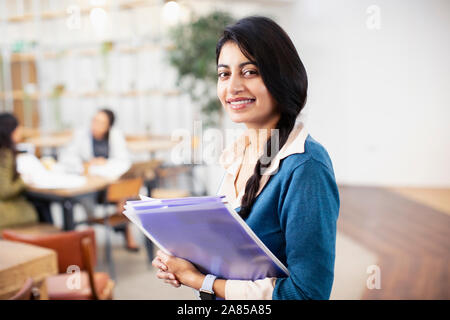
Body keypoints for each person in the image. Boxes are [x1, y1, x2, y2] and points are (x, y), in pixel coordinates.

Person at [152, 16, 340, 300]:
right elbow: (232, 259)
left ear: (282, 76)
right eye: (224, 74)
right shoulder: (238, 154)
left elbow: (308, 294)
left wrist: (201, 281)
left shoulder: (305, 166)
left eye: (250, 72)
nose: (233, 86)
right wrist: (184, 259)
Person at [59, 108, 139, 251]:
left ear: (108, 126)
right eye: (94, 120)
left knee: (124, 189)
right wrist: (86, 164)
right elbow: (66, 157)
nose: (95, 124)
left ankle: (121, 225)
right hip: (89, 184)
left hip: (110, 185)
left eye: (101, 122)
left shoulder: (115, 136)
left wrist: (105, 163)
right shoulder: (81, 134)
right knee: (90, 197)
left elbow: (124, 160)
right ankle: (105, 230)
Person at [0, 113, 53, 230]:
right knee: (42, 205)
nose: (20, 132)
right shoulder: (5, 154)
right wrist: (23, 180)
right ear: (10, 131)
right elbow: (4, 191)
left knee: (41, 203)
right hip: (4, 211)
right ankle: (53, 239)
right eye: (18, 129)